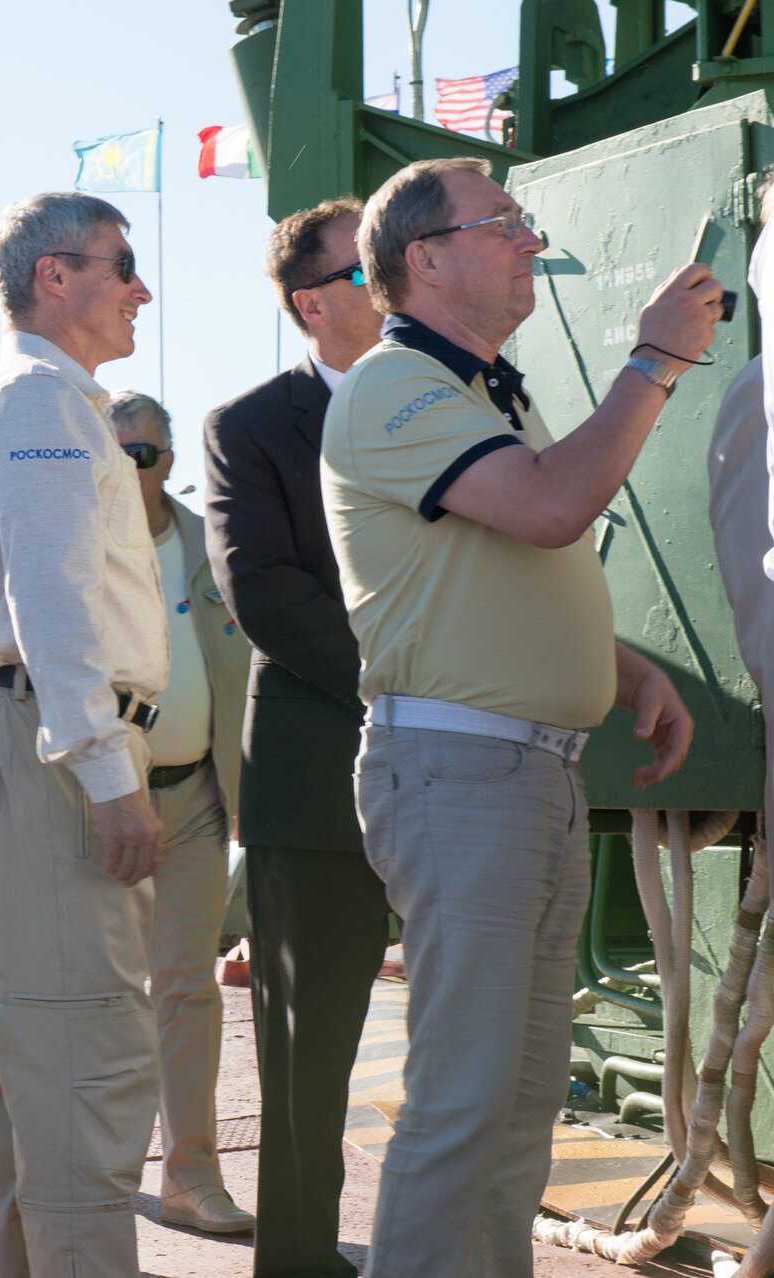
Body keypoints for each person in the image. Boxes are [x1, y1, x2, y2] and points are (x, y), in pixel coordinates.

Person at [322, 156, 710, 1277]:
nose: (531, 239)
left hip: (517, 778)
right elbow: (548, 506)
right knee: (466, 1098)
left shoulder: (484, 390)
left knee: (519, 1097)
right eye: (504, 222)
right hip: (460, 778)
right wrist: (656, 360)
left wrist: (618, 670)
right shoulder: (393, 386)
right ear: (427, 258)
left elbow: (484, 567)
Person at [0, 191, 169, 1276]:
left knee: (18, 1073)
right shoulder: (41, 401)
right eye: (122, 266)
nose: (141, 290)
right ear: (54, 277)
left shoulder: (39, 400)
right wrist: (109, 774)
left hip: (26, 742)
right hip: (55, 751)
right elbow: (54, 601)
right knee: (81, 1067)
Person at [201, 196, 391, 1278]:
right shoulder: (251, 427)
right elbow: (265, 593)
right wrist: (412, 684)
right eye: (364, 269)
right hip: (320, 772)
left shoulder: (467, 400)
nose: (390, 277)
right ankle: (301, 1259)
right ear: (310, 303)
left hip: (473, 760)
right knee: (307, 1052)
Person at [105, 390, 254, 1236]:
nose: (126, 470)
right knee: (96, 994)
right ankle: (93, 1172)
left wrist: (244, 793)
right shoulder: (79, 550)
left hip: (195, 797)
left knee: (188, 991)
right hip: (101, 801)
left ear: (167, 462)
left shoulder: (211, 547)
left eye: (141, 454)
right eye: (111, 454)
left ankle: (190, 1178)